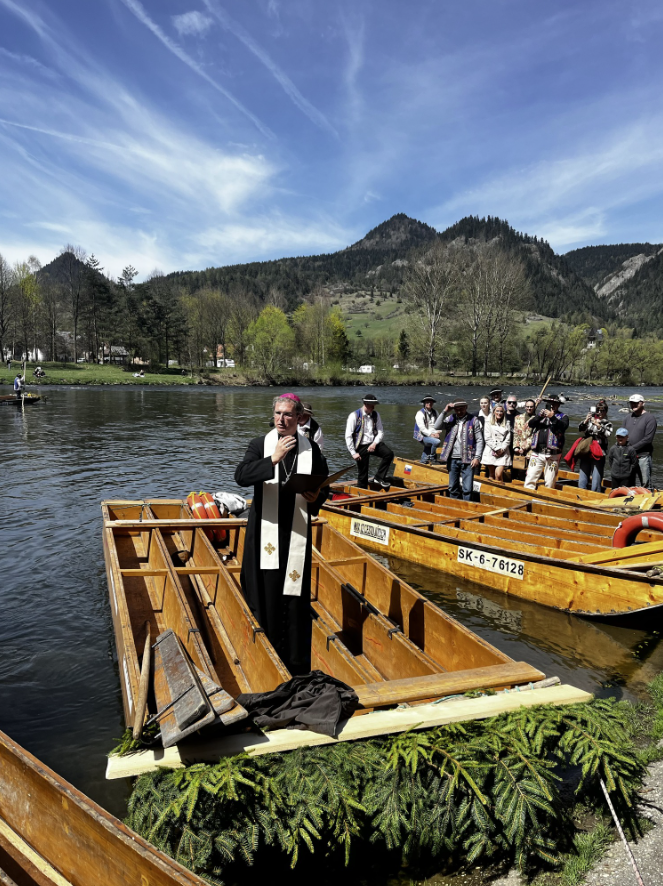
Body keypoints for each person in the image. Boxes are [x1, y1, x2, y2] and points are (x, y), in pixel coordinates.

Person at [234, 393, 329, 674]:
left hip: (296, 532)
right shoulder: (260, 445)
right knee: (267, 591)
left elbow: (323, 486)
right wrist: (273, 459)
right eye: (277, 414)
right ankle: (267, 652)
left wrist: (316, 497)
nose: (281, 420)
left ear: (299, 417)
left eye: (288, 414)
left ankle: (296, 660)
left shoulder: (311, 449)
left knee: (294, 595)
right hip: (267, 531)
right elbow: (241, 475)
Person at [435, 400, 484, 500]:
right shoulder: (450, 418)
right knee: (452, 487)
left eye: (461, 409)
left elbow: (479, 440)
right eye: (457, 410)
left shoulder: (474, 420)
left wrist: (477, 458)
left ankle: (466, 507)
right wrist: (445, 411)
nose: (459, 412)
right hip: (452, 457)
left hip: (468, 459)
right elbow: (437, 426)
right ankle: (455, 506)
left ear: (466, 408)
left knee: (467, 489)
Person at [345, 394, 394, 489]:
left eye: (374, 405)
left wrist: (374, 443)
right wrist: (353, 452)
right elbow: (348, 436)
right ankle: (362, 493)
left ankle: (379, 477)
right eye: (372, 405)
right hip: (361, 446)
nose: (373, 407)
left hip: (373, 443)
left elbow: (380, 432)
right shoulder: (354, 416)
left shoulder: (376, 415)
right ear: (366, 404)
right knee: (363, 474)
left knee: (389, 454)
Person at [524, 394, 569, 489]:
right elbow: (531, 424)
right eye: (550, 404)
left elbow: (563, 427)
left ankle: (547, 498)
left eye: (555, 404)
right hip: (537, 452)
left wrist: (552, 417)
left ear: (559, 405)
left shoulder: (563, 417)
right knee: (530, 477)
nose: (552, 406)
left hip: (553, 454)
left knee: (550, 481)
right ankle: (528, 495)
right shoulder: (539, 416)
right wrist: (539, 416)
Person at [576, 400, 612, 492]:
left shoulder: (607, 423)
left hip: (599, 453)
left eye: (602, 410)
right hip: (586, 451)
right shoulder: (590, 421)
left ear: (606, 412)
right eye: (598, 410)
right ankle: (581, 493)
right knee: (582, 478)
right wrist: (586, 420)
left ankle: (595, 495)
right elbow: (581, 429)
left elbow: (608, 434)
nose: (599, 412)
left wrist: (598, 425)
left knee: (596, 480)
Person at [623, 395, 657, 490]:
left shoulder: (650, 418)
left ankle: (648, 502)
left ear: (643, 403)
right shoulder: (627, 418)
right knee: (628, 482)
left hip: (643, 457)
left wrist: (631, 448)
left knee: (645, 483)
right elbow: (623, 434)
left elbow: (648, 439)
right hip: (629, 457)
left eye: (636, 403)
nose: (633, 405)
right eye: (631, 403)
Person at [481, 403, 512, 482]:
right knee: (491, 475)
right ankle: (491, 492)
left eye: (501, 411)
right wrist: (496, 448)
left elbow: (508, 439)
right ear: (494, 412)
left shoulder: (507, 423)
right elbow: (487, 438)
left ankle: (500, 490)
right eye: (497, 411)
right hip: (491, 450)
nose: (499, 413)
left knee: (498, 474)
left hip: (503, 451)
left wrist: (502, 449)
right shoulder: (488, 422)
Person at [413, 395, 440, 464]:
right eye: (427, 402)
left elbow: (438, 424)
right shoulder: (420, 413)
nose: (429, 404)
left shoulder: (435, 412)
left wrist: (437, 433)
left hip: (432, 434)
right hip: (422, 435)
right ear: (424, 403)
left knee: (431, 444)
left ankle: (423, 461)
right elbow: (422, 428)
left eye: (431, 402)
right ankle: (432, 458)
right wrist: (431, 435)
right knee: (436, 442)